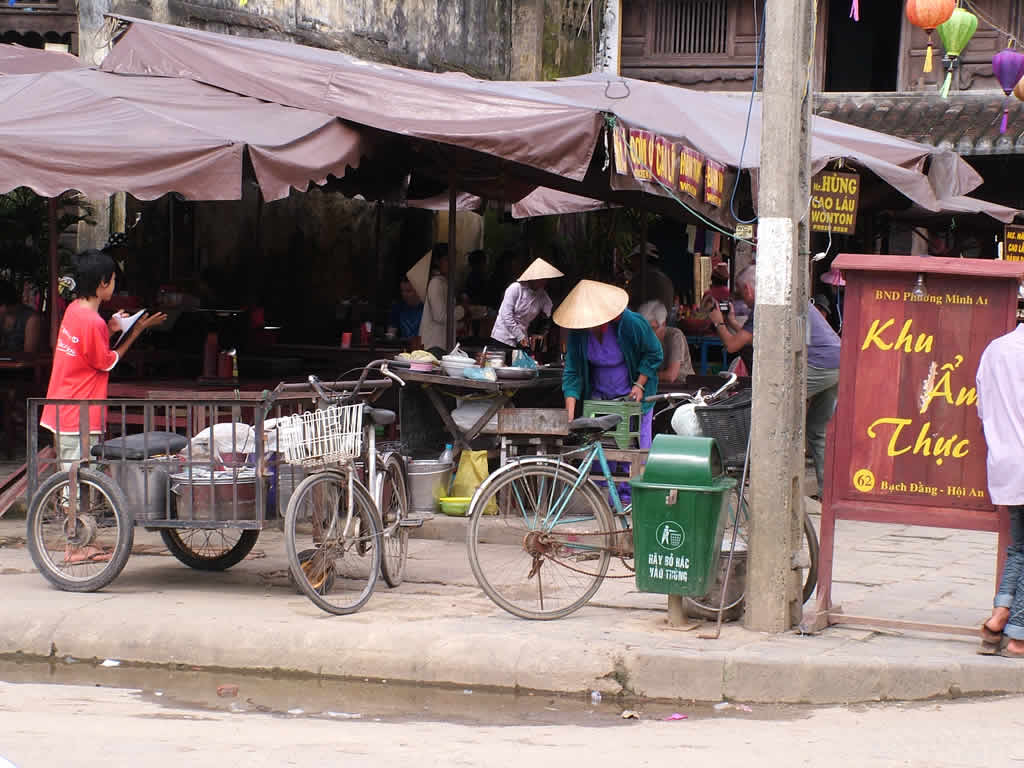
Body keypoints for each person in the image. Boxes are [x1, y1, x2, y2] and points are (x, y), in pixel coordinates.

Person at [40, 250, 166, 563]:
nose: (114, 284)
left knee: (76, 476)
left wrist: (111, 327)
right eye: (112, 280)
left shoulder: (74, 311)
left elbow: (86, 349)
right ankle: (74, 547)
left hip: (62, 407)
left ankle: (82, 543)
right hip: (79, 412)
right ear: (100, 284)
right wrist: (134, 332)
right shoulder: (92, 321)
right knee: (79, 479)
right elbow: (106, 362)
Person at [707, 266, 840, 498]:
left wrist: (718, 322)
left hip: (819, 363)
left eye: (740, 292)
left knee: (775, 413)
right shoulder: (784, 298)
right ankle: (828, 492)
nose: (742, 300)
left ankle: (777, 487)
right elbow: (756, 337)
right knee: (818, 431)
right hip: (837, 361)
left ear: (749, 288)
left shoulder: (766, 306)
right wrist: (732, 323)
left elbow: (732, 346)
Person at [556, 280, 663, 450]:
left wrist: (639, 384)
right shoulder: (578, 333)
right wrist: (569, 416)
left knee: (635, 453)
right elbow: (572, 372)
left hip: (633, 395)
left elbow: (654, 353)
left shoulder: (631, 322)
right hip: (599, 397)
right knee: (601, 452)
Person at [976, 322, 1024, 657]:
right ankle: (1019, 635)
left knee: (1019, 549)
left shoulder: (996, 348)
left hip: (1006, 460)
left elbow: (982, 406)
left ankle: (998, 618)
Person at [490, 257, 563, 350]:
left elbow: (548, 316)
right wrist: (520, 336)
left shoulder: (543, 296)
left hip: (522, 337)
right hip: (503, 337)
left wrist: (541, 333)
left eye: (546, 279)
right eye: (541, 279)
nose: (544, 282)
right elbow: (506, 315)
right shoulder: (515, 288)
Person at [415, 243, 463, 357]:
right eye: (447, 260)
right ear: (437, 261)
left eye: (453, 260)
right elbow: (440, 316)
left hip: (441, 345)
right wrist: (463, 310)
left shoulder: (444, 283)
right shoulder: (436, 283)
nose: (452, 263)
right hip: (434, 346)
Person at [637, 300, 694, 386]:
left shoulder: (675, 336)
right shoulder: (642, 337)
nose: (648, 334)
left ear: (663, 324)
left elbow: (670, 376)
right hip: (656, 388)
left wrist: (642, 376)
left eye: (653, 328)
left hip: (682, 390)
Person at [0, 279, 42, 354]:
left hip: (20, 364)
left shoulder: (31, 319)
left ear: (4, 304)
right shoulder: (3, 316)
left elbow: (29, 356)